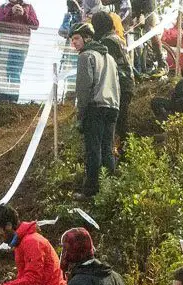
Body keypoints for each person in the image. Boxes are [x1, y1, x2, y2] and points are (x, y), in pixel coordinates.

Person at [70, 23, 119, 201]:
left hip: (94, 107)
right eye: (72, 39)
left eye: (76, 38)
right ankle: (110, 188)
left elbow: (83, 89)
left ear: (87, 37)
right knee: (107, 148)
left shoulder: (86, 56)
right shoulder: (110, 58)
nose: (73, 43)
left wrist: (80, 114)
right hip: (113, 107)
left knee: (93, 150)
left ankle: (90, 191)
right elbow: (117, 86)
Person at [90, 11, 133, 154]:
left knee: (120, 120)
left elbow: (107, 65)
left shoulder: (108, 41)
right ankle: (122, 149)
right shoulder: (116, 37)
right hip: (125, 82)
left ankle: (124, 151)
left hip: (120, 83)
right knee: (121, 119)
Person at [0, 0, 39, 103]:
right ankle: (2, 101)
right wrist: (10, 13)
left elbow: (35, 25)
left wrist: (24, 14)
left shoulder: (28, 7)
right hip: (4, 45)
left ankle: (13, 101)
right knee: (3, 73)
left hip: (20, 46)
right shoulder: (4, 7)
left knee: (15, 72)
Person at [126, 0, 166, 75]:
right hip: (134, 10)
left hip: (148, 10)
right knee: (132, 36)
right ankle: (138, 66)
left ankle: (161, 62)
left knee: (151, 32)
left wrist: (142, 13)